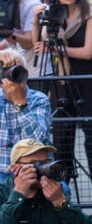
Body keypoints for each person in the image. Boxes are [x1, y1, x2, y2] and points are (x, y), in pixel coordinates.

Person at [31, 0, 92, 211]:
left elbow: (88, 52)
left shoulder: (90, 13)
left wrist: (57, 49)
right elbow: (38, 48)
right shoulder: (51, 14)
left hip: (89, 81)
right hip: (61, 81)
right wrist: (36, 22)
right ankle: (61, 199)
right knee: (61, 138)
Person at [0, 138, 92, 223]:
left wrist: (60, 202)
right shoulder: (2, 192)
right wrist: (18, 194)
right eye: (35, 163)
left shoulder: (53, 191)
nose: (43, 168)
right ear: (15, 169)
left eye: (46, 163)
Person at [0, 49, 51, 181]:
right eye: (8, 70)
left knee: (63, 191)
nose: (15, 75)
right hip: (1, 171)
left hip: (32, 170)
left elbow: (35, 141)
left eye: (18, 70)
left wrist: (20, 101)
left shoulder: (38, 99)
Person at [0, 0, 42, 77]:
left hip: (34, 69)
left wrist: (7, 33)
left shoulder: (31, 5)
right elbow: (10, 40)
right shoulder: (3, 3)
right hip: (15, 69)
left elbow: (28, 42)